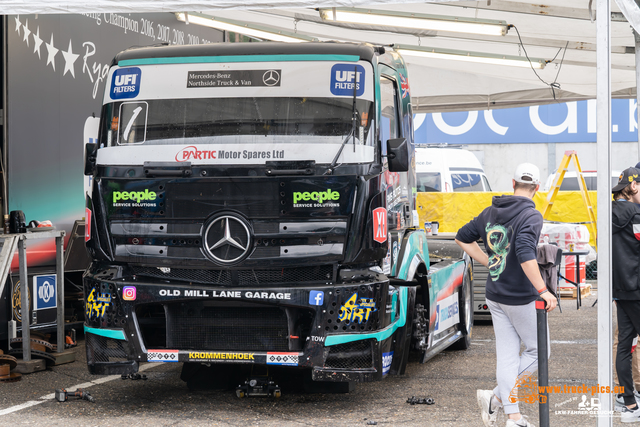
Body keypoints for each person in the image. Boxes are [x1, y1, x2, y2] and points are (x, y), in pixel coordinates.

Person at [455, 163, 557, 427]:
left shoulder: (490, 211)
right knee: (539, 352)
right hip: (520, 296)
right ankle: (499, 398)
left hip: (495, 293)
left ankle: (512, 415)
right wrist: (543, 290)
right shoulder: (531, 215)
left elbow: (462, 238)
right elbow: (525, 252)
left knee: (508, 356)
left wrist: (488, 261)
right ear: (536, 188)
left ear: (513, 185)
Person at [612, 167, 640, 422]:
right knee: (626, 345)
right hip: (638, 288)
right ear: (633, 187)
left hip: (620, 290)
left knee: (624, 345)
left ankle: (629, 403)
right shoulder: (637, 213)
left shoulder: (607, 213)